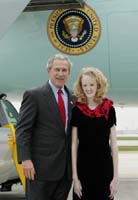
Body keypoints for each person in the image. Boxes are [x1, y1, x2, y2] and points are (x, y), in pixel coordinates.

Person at [16, 54, 75, 200]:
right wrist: (25, 159)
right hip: (39, 170)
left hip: (65, 172)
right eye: (57, 69)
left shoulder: (74, 98)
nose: (61, 74)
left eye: (64, 70)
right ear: (49, 71)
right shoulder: (34, 95)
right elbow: (23, 130)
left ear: (68, 73)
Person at [71, 67, 118, 200]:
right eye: (85, 85)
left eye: (91, 84)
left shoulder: (109, 109)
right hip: (83, 168)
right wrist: (75, 177)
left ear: (98, 85)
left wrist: (115, 177)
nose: (88, 88)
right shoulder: (77, 110)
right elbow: (74, 145)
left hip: (104, 168)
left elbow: (114, 144)